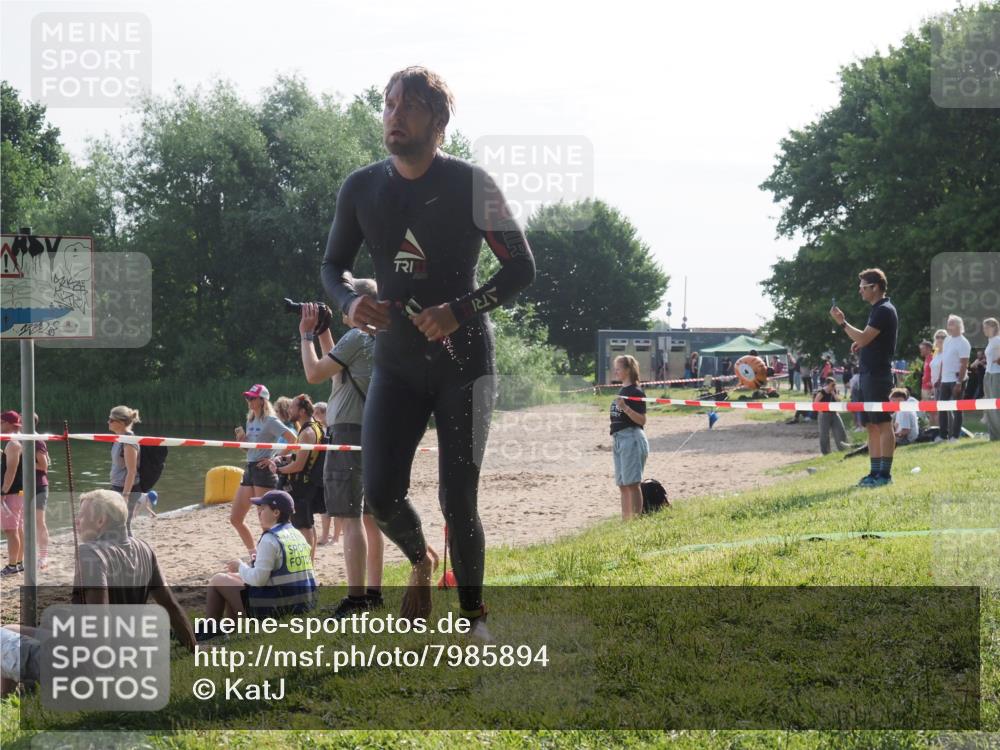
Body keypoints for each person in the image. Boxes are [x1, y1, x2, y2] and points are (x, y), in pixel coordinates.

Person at [320, 67, 534, 625]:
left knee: (458, 499)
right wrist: (347, 303)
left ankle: (474, 615)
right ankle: (421, 558)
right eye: (389, 104)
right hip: (396, 364)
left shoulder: (471, 184)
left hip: (463, 363)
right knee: (381, 494)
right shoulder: (362, 187)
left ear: (438, 122)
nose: (394, 115)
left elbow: (521, 267)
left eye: (409, 106)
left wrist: (459, 310)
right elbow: (332, 267)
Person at [298, 292, 386, 618]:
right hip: (373, 433)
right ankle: (373, 593)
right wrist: (323, 333)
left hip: (348, 432)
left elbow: (315, 374)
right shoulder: (380, 340)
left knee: (349, 518)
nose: (343, 310)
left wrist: (306, 335)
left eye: (346, 304)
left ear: (359, 306)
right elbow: (340, 371)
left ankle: (356, 598)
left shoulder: (357, 337)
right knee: (369, 519)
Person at [73, 490, 195, 647]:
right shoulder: (144, 548)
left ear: (101, 521)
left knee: (30, 637)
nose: (77, 521)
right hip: (130, 644)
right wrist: (194, 647)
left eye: (82, 516)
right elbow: (170, 604)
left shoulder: (90, 552)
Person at [200, 490, 317, 638]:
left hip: (279, 610)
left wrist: (240, 566)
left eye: (262, 509)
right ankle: (228, 628)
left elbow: (259, 580)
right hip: (303, 603)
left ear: (276, 512)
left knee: (218, 580)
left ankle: (209, 629)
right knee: (232, 577)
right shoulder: (297, 534)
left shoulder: (270, 539)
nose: (259, 513)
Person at [830, 268, 898, 487]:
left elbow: (864, 337)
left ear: (875, 287)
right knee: (871, 425)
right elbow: (867, 339)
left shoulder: (884, 310)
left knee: (884, 424)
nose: (859, 291)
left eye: (862, 287)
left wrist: (842, 322)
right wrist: (862, 343)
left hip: (879, 376)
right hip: (869, 374)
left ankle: (885, 475)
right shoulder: (877, 309)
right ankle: (874, 472)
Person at [231, 385, 297, 557]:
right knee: (236, 518)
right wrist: (242, 442)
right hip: (250, 468)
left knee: (266, 521)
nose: (249, 401)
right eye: (248, 397)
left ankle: (272, 555)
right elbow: (250, 451)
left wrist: (274, 458)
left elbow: (293, 440)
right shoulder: (251, 419)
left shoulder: (270, 420)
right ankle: (254, 553)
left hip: (264, 471)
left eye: (252, 398)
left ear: (262, 400)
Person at [267, 394, 325, 562]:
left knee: (304, 527)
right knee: (308, 525)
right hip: (307, 483)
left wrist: (278, 470)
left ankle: (307, 566)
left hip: (302, 485)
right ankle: (309, 565)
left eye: (292, 407)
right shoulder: (313, 427)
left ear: (301, 410)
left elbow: (299, 465)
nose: (289, 410)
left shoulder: (307, 432)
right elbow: (301, 457)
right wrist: (283, 459)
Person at [610, 355, 649, 519]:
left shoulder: (635, 391)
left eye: (618, 368)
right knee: (623, 485)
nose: (615, 371)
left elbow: (642, 420)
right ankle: (626, 521)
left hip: (631, 438)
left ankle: (635, 521)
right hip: (619, 439)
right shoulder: (622, 390)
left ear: (627, 370)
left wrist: (625, 408)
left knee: (632, 484)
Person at [106, 405, 143, 536]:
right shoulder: (119, 438)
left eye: (111, 420)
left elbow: (131, 471)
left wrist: (125, 495)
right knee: (116, 525)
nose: (108, 422)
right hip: (117, 486)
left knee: (122, 525)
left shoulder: (128, 440)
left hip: (127, 489)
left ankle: (130, 552)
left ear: (121, 423)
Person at [937, 314, 971, 442]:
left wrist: (959, 382)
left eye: (951, 324)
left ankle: (955, 436)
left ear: (958, 326)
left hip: (957, 380)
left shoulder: (964, 342)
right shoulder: (947, 340)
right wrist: (940, 377)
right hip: (945, 380)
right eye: (948, 324)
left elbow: (964, 364)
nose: (948, 327)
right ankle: (942, 435)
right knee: (942, 408)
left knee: (957, 409)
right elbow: (944, 360)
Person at [1, 411, 24, 576]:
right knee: (18, 528)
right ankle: (19, 562)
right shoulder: (19, 440)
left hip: (13, 491)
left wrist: (3, 491)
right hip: (19, 491)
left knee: (11, 530)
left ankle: (11, 565)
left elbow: (11, 470)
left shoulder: (13, 443)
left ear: (7, 424)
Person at [30, 414, 51, 569]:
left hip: (38, 486)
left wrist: (23, 463)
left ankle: (43, 557)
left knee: (39, 522)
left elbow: (43, 466)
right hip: (25, 486)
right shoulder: (22, 438)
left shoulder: (37, 440)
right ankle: (26, 555)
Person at [814, 377, 850, 454]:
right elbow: (816, 402)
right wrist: (821, 411)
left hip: (834, 413)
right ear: (827, 384)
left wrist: (833, 393)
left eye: (835, 384)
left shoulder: (834, 391)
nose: (834, 386)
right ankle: (826, 453)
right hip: (824, 415)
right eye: (832, 385)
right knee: (824, 434)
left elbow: (838, 400)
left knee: (840, 430)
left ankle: (843, 449)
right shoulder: (822, 392)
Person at [982, 317, 1000, 441]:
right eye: (984, 327)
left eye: (987, 327)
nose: (985, 330)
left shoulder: (997, 340)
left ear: (994, 327)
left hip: (996, 374)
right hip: (988, 374)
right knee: (989, 406)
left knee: (996, 406)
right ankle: (993, 435)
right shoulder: (991, 341)